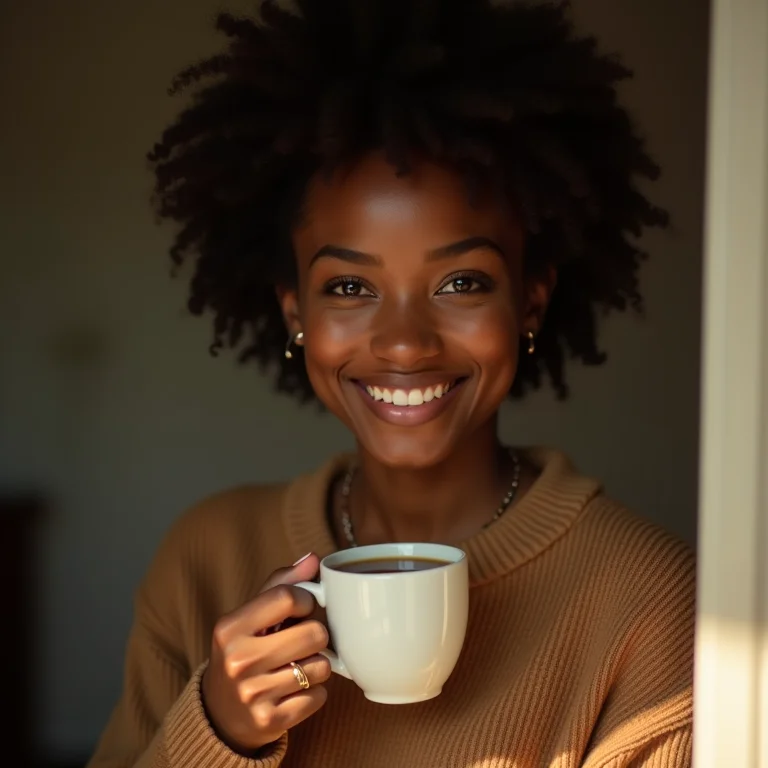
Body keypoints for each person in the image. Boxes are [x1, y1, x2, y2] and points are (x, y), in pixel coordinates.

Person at [88, 1, 695, 766]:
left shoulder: (649, 596)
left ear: (529, 303)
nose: (404, 342)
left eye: (462, 281)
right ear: (295, 311)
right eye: (348, 288)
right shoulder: (206, 557)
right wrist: (219, 730)